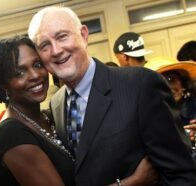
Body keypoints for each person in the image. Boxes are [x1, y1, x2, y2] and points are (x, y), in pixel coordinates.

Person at [28, 6, 196, 186]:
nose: (56, 50)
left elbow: (181, 173)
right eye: (44, 45)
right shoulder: (57, 103)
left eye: (62, 36)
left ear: (84, 35)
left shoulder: (140, 85)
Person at [0, 36, 157, 186]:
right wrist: (135, 181)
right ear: (3, 86)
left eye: (38, 64)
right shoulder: (11, 134)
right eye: (19, 73)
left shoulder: (49, 115)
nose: (34, 75)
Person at [145, 56, 196, 143]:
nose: (168, 87)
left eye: (170, 79)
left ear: (182, 82)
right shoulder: (145, 119)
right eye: (160, 82)